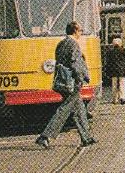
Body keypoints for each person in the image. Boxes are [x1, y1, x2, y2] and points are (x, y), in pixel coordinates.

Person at [36, 21, 94, 149]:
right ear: (75, 31)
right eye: (80, 31)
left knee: (79, 110)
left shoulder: (61, 43)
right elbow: (75, 64)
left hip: (62, 81)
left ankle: (86, 137)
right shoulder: (73, 44)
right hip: (72, 82)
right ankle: (45, 136)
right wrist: (82, 78)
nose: (81, 33)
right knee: (64, 110)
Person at [104, 37, 125, 105]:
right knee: (122, 84)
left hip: (113, 70)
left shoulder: (110, 52)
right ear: (120, 44)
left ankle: (115, 99)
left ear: (113, 44)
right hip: (122, 70)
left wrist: (107, 70)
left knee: (114, 85)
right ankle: (122, 97)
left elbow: (107, 62)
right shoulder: (124, 51)